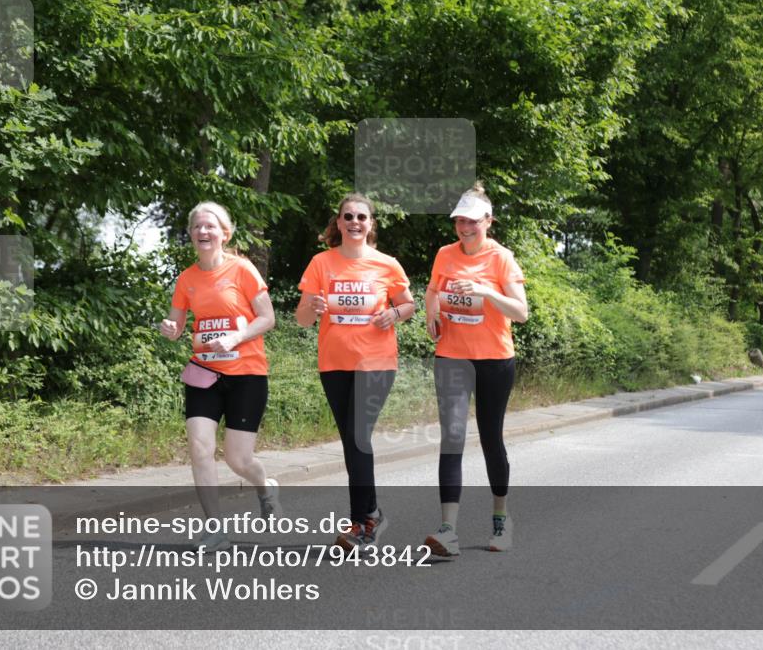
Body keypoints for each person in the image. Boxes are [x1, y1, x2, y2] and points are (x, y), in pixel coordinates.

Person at [295, 193, 415, 551]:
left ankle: (360, 524)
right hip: (334, 364)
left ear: (370, 223)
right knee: (352, 441)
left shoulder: (386, 264)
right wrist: (312, 307)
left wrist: (393, 314)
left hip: (376, 362)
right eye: (348, 216)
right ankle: (372, 513)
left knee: (359, 437)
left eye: (361, 216)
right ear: (339, 221)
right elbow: (302, 321)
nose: (354, 222)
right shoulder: (321, 263)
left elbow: (408, 304)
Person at [160, 202, 280, 549]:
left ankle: (264, 486)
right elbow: (178, 325)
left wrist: (235, 337)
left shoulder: (242, 269)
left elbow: (267, 318)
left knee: (238, 460)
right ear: (191, 235)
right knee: (199, 447)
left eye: (210, 226)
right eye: (197, 227)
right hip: (204, 373)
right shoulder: (186, 279)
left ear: (224, 233)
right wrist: (171, 329)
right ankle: (215, 528)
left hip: (246, 373)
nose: (203, 232)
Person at [423, 182, 528, 555]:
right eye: (459, 222)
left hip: (494, 360)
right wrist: (430, 316)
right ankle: (447, 529)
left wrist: (485, 292)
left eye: (472, 221)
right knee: (451, 437)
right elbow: (433, 291)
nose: (465, 228)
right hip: (452, 355)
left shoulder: (501, 258)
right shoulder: (444, 255)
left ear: (488, 221)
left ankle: (501, 521)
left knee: (489, 438)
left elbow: (521, 312)